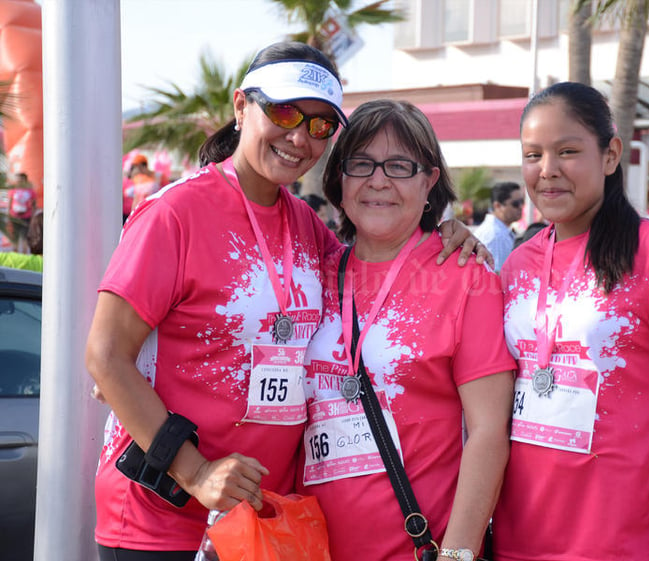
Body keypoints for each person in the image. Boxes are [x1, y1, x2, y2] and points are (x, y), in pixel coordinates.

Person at [85, 42, 485, 561]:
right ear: (240, 107)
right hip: (162, 521)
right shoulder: (174, 214)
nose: (299, 136)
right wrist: (196, 471)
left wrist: (447, 232)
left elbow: (374, 264)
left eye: (320, 125)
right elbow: (105, 356)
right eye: (283, 111)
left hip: (266, 527)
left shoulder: (308, 228)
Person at [492, 82, 649, 561]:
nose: (548, 171)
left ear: (610, 154)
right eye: (533, 155)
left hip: (627, 542)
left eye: (568, 151)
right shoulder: (516, 264)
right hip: (519, 543)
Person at [300, 99, 515, 561]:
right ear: (340, 177)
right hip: (306, 545)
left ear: (429, 180)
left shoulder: (465, 278)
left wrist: (457, 555)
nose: (378, 181)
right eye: (361, 164)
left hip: (421, 548)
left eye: (399, 166)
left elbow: (488, 432)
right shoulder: (312, 274)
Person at [473, 181, 524, 272]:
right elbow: (497, 275)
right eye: (515, 204)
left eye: (522, 202)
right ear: (498, 206)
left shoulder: (499, 231)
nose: (521, 207)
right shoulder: (496, 236)